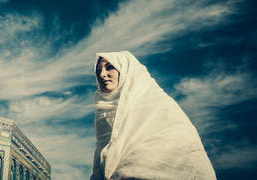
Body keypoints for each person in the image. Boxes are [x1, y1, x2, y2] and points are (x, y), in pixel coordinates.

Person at [91, 51, 216, 180]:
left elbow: (182, 149)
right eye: (98, 71)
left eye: (110, 67)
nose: (102, 74)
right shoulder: (103, 115)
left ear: (126, 69)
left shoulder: (157, 104)